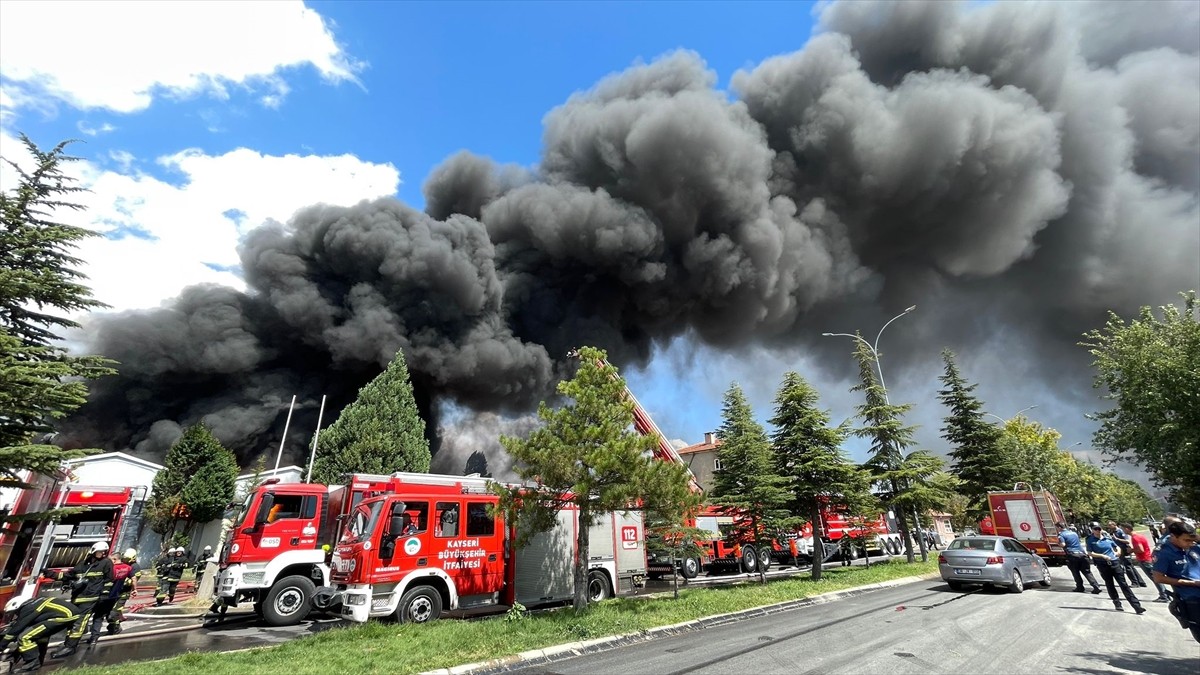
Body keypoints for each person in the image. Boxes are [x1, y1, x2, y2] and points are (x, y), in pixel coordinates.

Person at [46, 540, 114, 658]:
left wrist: (103, 596)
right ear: (94, 551)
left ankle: (71, 647)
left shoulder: (106, 563)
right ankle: (68, 642)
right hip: (77, 598)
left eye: (104, 552)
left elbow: (109, 581)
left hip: (90, 599)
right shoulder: (83, 564)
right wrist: (49, 574)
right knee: (71, 620)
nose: (103, 554)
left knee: (80, 622)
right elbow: (69, 575)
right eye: (101, 552)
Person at [1151, 520, 1200, 643]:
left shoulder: (1193, 545)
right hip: (1192, 599)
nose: (1191, 543)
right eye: (1187, 540)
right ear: (1173, 536)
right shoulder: (1163, 552)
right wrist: (1193, 583)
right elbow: (1158, 578)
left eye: (1192, 539)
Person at [1, 596, 78, 672]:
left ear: (18, 606)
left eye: (15, 612)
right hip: (69, 615)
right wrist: (16, 653)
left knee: (24, 637)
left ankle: (33, 663)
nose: (16, 615)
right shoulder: (34, 604)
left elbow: (17, 628)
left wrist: (2, 644)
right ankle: (39, 660)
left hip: (62, 617)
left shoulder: (28, 608)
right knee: (40, 637)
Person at [1086, 522, 1145, 614]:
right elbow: (1090, 553)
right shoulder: (1090, 540)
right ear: (1092, 530)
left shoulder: (1107, 537)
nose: (1097, 530)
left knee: (1123, 584)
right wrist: (1102, 556)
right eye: (1095, 529)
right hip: (1103, 564)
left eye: (1099, 529)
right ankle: (1117, 603)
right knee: (1110, 584)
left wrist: (1118, 551)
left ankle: (1136, 606)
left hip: (1114, 562)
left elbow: (1116, 546)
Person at [102, 549, 140, 635]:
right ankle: (113, 626)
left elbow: (134, 579)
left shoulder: (134, 567)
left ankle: (115, 627)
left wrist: (133, 588)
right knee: (109, 612)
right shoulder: (123, 566)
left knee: (113, 613)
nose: (125, 560)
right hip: (114, 593)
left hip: (123, 593)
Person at [1057, 522, 1102, 594]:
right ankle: (1096, 586)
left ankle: (1080, 587)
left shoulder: (1061, 535)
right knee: (1087, 572)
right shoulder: (1074, 533)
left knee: (1075, 572)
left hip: (1072, 555)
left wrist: (1058, 544)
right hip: (1082, 554)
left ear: (1059, 527)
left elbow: (1063, 544)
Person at [1126, 524, 1168, 602]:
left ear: (1127, 529)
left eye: (1123, 529)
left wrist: (1131, 550)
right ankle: (1165, 594)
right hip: (1147, 558)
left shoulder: (1135, 538)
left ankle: (1164, 595)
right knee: (1155, 578)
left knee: (1155, 578)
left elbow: (1141, 550)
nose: (1123, 531)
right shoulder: (1139, 536)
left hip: (1144, 560)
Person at [1108, 521, 1146, 587]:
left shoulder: (1120, 531)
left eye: (1110, 525)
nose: (1109, 527)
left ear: (1114, 525)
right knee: (1130, 567)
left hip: (1125, 550)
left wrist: (1117, 539)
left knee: (1128, 567)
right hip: (1120, 551)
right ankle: (1141, 582)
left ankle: (1135, 583)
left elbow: (1127, 541)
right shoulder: (1112, 532)